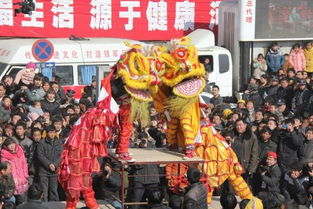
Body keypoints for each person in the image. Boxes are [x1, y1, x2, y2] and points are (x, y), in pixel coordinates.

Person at [37, 125, 63, 202]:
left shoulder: (59, 142)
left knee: (53, 191)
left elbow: (61, 155)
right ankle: (44, 206)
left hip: (54, 171)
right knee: (44, 192)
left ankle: (54, 206)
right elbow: (40, 156)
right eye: (50, 132)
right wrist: (49, 164)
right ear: (47, 133)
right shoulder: (41, 143)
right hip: (43, 171)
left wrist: (54, 165)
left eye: (53, 132)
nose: (52, 134)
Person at [1, 139, 28, 205]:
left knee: (22, 201)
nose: (12, 146)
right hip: (11, 181)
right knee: (12, 201)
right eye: (9, 144)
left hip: (22, 180)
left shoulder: (20, 152)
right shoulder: (4, 156)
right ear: (6, 146)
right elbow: (5, 171)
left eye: (13, 143)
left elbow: (24, 164)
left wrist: (25, 175)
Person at [232, 118, 259, 185]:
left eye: (240, 125)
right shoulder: (233, 135)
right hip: (233, 165)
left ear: (245, 125)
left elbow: (254, 153)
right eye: (237, 125)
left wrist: (251, 169)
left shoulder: (251, 137)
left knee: (243, 186)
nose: (238, 127)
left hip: (245, 166)